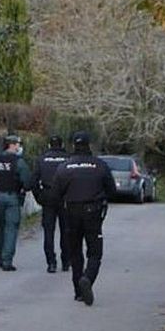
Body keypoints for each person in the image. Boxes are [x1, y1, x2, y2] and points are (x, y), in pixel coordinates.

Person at [51, 131, 115, 306]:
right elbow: (111, 190)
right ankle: (87, 278)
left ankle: (78, 291)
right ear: (89, 145)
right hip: (93, 212)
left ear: (73, 145)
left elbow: (56, 193)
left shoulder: (65, 167)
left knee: (75, 252)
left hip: (71, 212)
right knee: (95, 252)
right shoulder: (100, 165)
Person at [0, 135, 31, 272]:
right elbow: (27, 182)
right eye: (18, 144)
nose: (19, 147)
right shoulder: (19, 162)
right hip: (13, 198)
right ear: (12, 145)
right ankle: (7, 260)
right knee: (11, 228)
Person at [30, 135, 70, 273]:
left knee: (48, 232)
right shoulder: (68, 159)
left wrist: (39, 197)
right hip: (65, 197)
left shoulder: (42, 160)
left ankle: (51, 263)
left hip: (47, 196)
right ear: (62, 144)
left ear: (49, 145)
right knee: (66, 231)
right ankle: (66, 261)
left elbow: (33, 181)